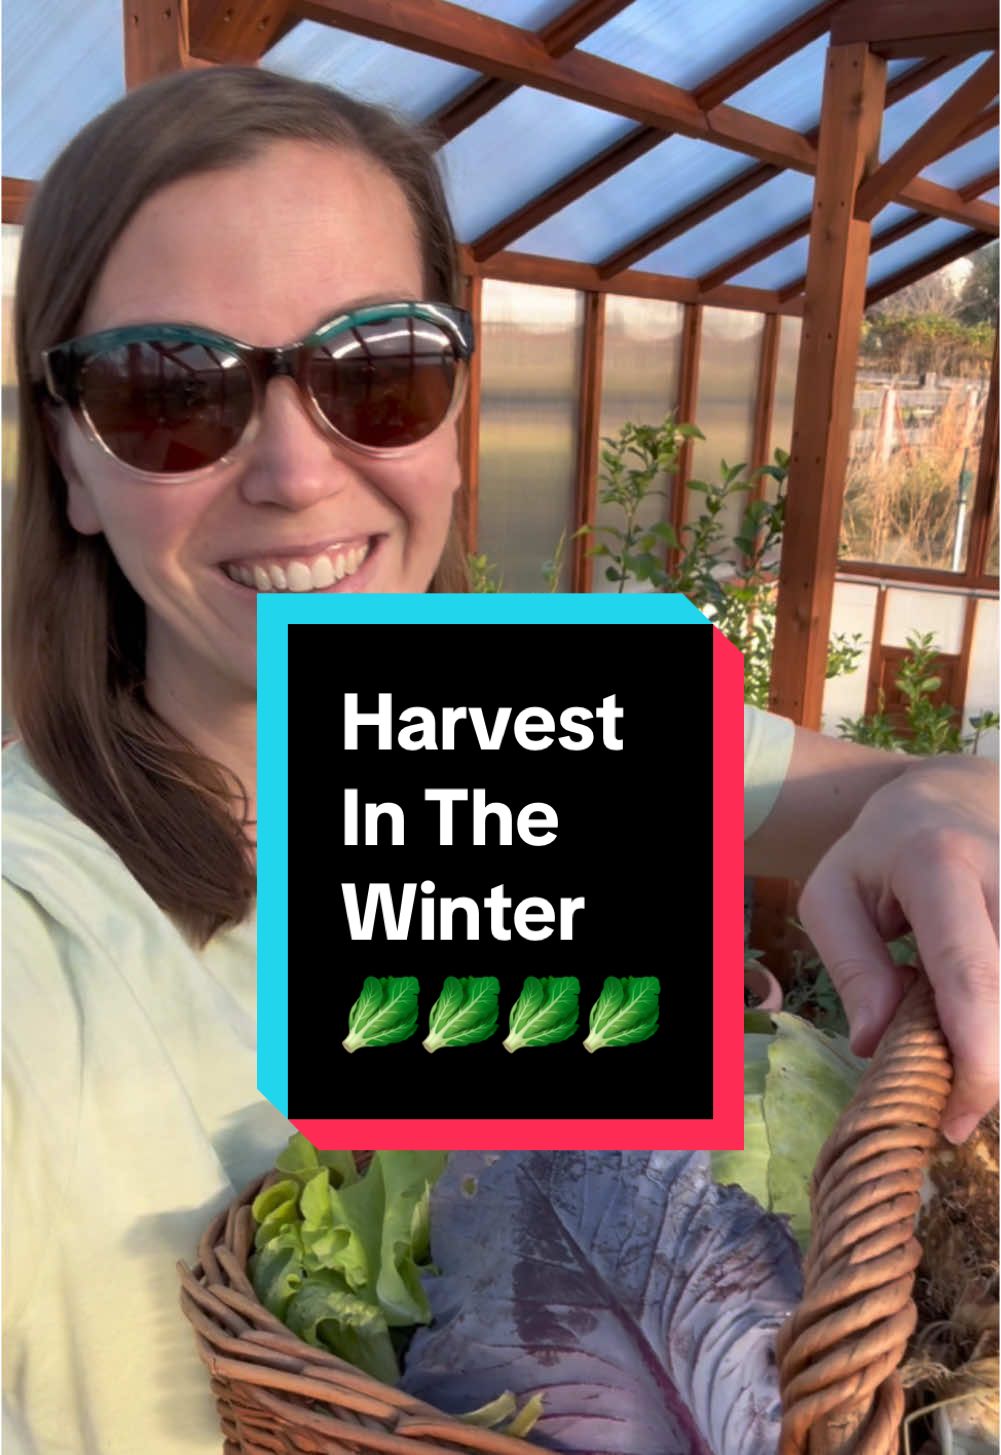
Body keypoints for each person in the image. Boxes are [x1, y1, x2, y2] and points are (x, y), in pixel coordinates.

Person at [2, 65, 995, 1455]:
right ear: (67, 460)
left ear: (458, 410)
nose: (293, 470)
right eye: (170, 393)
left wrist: (948, 795)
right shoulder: (37, 931)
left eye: (379, 370)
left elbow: (923, 788)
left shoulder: (552, 728)